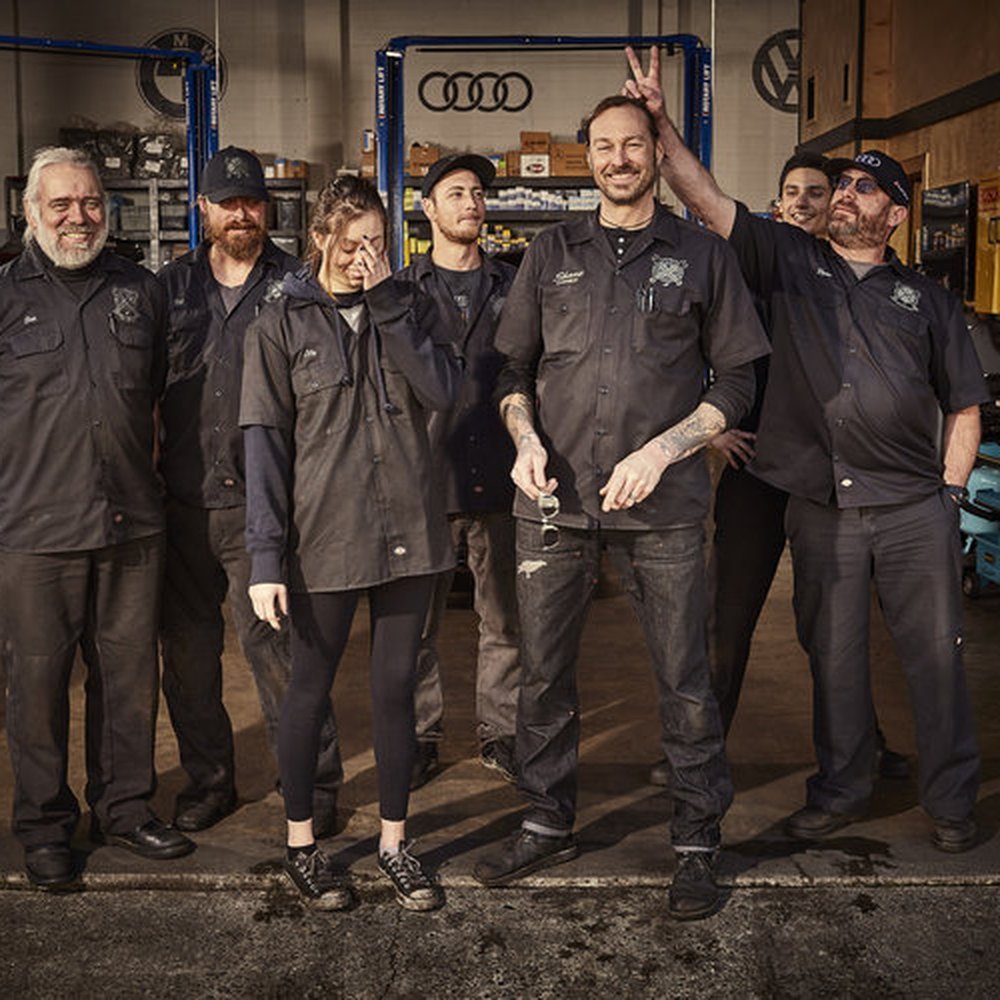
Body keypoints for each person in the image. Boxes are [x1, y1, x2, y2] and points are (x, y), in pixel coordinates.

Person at [627, 46, 986, 852]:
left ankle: (952, 800)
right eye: (843, 184)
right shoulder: (790, 260)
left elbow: (964, 406)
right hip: (824, 506)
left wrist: (951, 496)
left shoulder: (927, 299)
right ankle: (842, 789)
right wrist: (661, 126)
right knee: (835, 659)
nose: (846, 195)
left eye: (865, 188)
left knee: (937, 660)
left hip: (913, 507)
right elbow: (704, 198)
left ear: (896, 214)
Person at [471, 95, 770, 921]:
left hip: (664, 509)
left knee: (685, 678)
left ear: (654, 154)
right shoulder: (549, 253)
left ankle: (697, 842)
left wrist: (663, 450)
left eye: (633, 144)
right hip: (553, 505)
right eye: (603, 146)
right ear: (589, 158)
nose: (618, 159)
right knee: (543, 675)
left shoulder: (703, 256)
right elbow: (512, 371)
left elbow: (738, 380)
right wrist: (524, 439)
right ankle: (545, 819)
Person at [647, 150, 909, 781]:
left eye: (818, 192)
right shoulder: (750, 267)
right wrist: (711, 429)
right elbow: (686, 344)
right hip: (756, 467)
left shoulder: (864, 277)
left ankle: (863, 746)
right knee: (726, 617)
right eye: (792, 191)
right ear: (777, 201)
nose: (803, 202)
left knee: (833, 624)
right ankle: (698, 750)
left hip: (828, 477)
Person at [240, 176, 462, 911]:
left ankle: (396, 844)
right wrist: (265, 559)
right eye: (351, 241)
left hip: (410, 532)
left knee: (395, 688)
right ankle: (302, 846)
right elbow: (265, 448)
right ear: (320, 240)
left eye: (376, 241)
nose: (365, 255)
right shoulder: (279, 324)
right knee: (308, 689)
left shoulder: (411, 306)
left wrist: (390, 305)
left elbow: (445, 392)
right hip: (324, 536)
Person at [0, 146, 194, 889]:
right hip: (33, 531)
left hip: (130, 523)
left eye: (89, 203)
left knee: (128, 678)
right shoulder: (4, 295)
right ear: (32, 213)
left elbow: (157, 396)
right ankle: (45, 825)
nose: (77, 217)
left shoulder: (139, 291)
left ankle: (125, 808)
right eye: (61, 204)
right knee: (36, 687)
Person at [157, 147, 342, 834]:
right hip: (181, 505)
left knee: (281, 656)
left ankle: (312, 787)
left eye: (253, 203)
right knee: (188, 659)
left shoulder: (299, 285)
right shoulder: (169, 289)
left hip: (265, 509)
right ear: (203, 208)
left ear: (268, 209)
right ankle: (210, 782)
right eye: (228, 203)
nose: (241, 214)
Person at [399, 153, 521, 789]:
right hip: (424, 482)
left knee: (504, 620)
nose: (471, 203)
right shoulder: (402, 292)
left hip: (502, 476)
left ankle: (502, 733)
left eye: (477, 192)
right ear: (428, 208)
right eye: (455, 193)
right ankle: (420, 736)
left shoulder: (513, 286)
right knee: (414, 625)